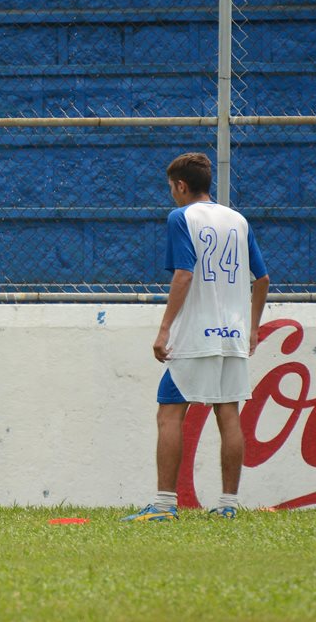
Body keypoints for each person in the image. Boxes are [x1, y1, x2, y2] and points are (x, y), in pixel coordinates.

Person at [122, 152, 269, 522]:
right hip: (232, 334)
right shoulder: (238, 220)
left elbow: (184, 274)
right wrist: (251, 327)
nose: (171, 194)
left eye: (172, 187)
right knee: (229, 413)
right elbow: (262, 279)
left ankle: (163, 505)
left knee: (170, 413)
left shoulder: (181, 217)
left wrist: (164, 328)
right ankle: (228, 507)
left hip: (196, 335)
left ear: (182, 185)